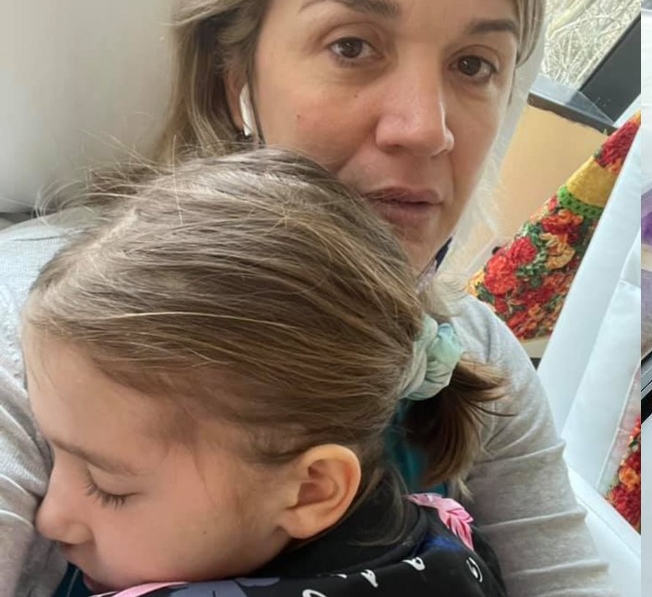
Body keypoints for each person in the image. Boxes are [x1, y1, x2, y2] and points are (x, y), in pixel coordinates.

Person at [0, 0, 616, 595]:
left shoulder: (477, 352)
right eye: (352, 46)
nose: (426, 129)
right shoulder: (56, 327)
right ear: (235, 77)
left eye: (475, 64)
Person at [25, 150, 508, 595]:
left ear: (311, 491)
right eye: (51, 455)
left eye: (108, 487)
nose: (50, 519)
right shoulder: (446, 549)